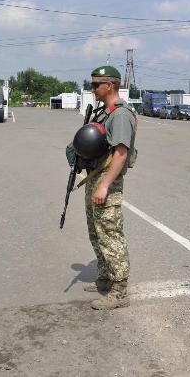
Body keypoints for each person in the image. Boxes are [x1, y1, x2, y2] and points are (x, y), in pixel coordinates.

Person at [80, 66, 138, 310]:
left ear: (110, 85)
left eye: (96, 85)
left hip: (108, 181)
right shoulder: (105, 111)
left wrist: (104, 185)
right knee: (96, 231)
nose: (92, 89)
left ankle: (120, 291)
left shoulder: (121, 114)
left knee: (111, 234)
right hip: (96, 176)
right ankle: (105, 277)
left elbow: (121, 154)